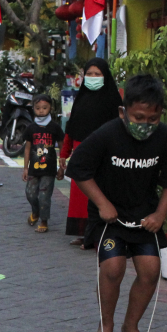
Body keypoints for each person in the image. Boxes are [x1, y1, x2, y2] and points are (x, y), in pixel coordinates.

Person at [66, 74, 167, 332]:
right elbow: (79, 169)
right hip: (110, 220)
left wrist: (160, 214)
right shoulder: (107, 134)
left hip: (144, 218)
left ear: (160, 116)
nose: (145, 125)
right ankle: (105, 325)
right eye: (138, 117)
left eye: (152, 119)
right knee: (113, 268)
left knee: (150, 270)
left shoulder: (165, 138)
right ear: (123, 112)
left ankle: (131, 325)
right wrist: (102, 203)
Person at [60, 58, 122, 248]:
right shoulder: (81, 100)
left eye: (97, 74)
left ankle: (97, 235)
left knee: (100, 195)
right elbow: (71, 129)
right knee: (80, 196)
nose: (93, 78)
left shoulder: (113, 101)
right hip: (81, 154)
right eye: (89, 74)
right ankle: (82, 234)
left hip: (105, 156)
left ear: (105, 76)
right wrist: (64, 154)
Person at [22, 94, 65, 233]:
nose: (41, 111)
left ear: (50, 108)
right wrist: (25, 168)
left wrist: (61, 167)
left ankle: (44, 221)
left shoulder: (55, 128)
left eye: (44, 108)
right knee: (30, 193)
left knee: (44, 196)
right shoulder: (31, 128)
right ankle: (35, 212)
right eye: (38, 108)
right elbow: (27, 148)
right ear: (33, 108)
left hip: (49, 169)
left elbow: (62, 148)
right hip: (33, 168)